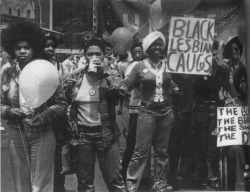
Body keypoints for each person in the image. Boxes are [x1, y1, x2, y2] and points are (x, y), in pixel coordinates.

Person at [0, 21, 67, 192]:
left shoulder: (46, 70)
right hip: (16, 132)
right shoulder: (7, 73)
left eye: (27, 47)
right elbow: (0, 103)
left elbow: (61, 103)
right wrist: (9, 111)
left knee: (41, 183)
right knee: (21, 184)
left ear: (35, 48)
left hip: (42, 132)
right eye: (18, 48)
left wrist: (43, 116)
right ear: (12, 50)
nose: (22, 51)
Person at [64, 39, 125, 192]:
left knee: (115, 180)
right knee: (85, 183)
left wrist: (105, 74)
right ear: (85, 56)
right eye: (90, 54)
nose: (94, 57)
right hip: (82, 135)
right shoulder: (77, 76)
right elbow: (65, 99)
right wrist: (68, 85)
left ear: (104, 55)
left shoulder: (111, 74)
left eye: (98, 53)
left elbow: (123, 91)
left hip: (107, 134)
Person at [120, 31, 175, 192]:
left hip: (166, 112)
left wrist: (176, 89)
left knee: (162, 151)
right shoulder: (139, 66)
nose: (158, 47)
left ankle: (160, 183)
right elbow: (127, 83)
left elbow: (171, 83)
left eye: (160, 44)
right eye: (154, 44)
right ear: (147, 48)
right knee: (141, 151)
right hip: (147, 113)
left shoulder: (168, 64)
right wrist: (121, 88)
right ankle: (131, 182)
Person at [121, 42, 152, 184]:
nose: (138, 54)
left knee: (146, 144)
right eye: (135, 52)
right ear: (131, 53)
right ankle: (126, 173)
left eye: (141, 51)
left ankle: (144, 176)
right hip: (136, 108)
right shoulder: (133, 67)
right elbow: (127, 86)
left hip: (149, 109)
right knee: (133, 143)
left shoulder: (150, 64)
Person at [218, 66, 249, 191]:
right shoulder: (230, 103)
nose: (243, 85)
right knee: (235, 150)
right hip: (241, 146)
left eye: (245, 81)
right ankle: (239, 188)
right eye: (240, 82)